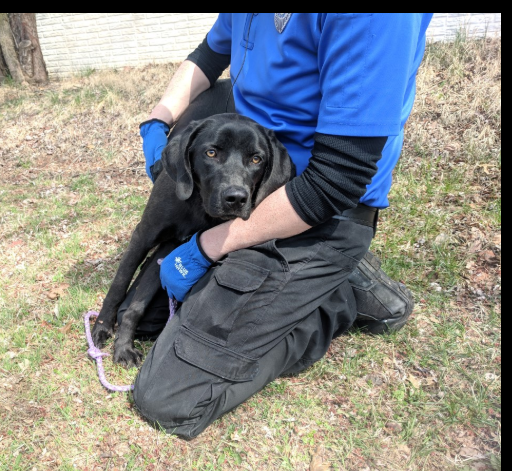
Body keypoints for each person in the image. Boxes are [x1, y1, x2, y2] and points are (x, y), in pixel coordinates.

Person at [129, 13, 433, 439]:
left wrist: (207, 246)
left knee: (168, 396)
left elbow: (337, 179)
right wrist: (158, 120)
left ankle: (338, 295)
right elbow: (209, 53)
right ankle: (307, 280)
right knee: (144, 323)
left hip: (323, 212)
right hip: (251, 193)